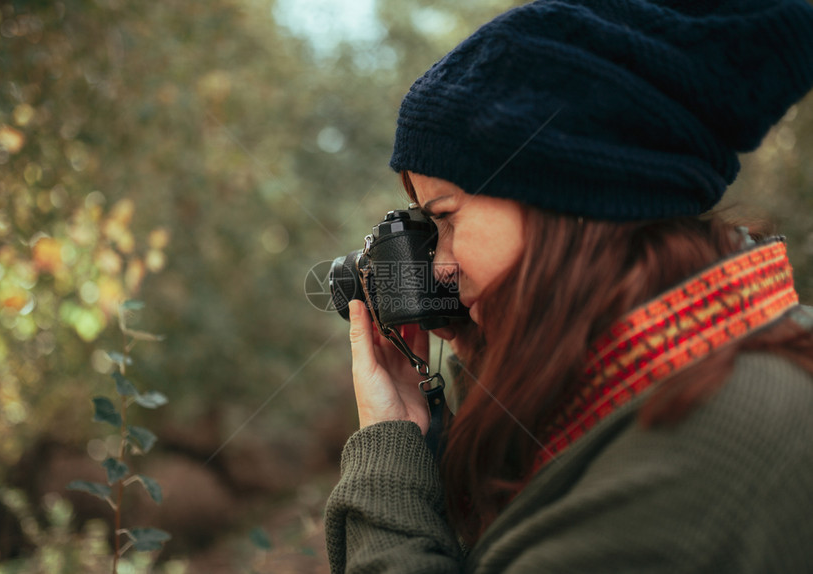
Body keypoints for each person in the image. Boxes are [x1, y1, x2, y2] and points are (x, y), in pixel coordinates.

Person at [325, 0, 813, 572]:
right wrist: (487, 353)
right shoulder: (713, 359)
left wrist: (388, 452)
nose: (440, 266)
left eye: (448, 218)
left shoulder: (707, 441)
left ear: (568, 200)